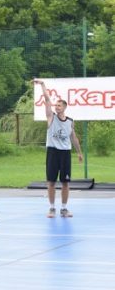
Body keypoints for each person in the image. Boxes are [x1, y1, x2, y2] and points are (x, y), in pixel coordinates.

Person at [34, 79, 83, 217]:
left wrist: (79, 152)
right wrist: (42, 85)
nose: (57, 107)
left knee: (65, 182)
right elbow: (47, 100)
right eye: (56, 105)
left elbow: (73, 137)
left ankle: (64, 208)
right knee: (51, 181)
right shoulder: (51, 117)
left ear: (65, 107)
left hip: (65, 153)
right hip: (53, 152)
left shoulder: (70, 122)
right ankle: (51, 208)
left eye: (59, 105)